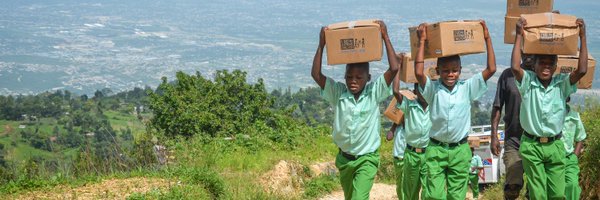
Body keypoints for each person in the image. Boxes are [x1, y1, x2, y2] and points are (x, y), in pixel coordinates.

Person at [311, 20, 399, 200]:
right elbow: (316, 75)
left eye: (359, 77)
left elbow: (394, 67)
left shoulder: (374, 93)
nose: (353, 81)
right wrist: (321, 45)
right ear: (344, 77)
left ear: (368, 78)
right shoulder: (338, 93)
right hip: (344, 159)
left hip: (367, 159)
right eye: (349, 76)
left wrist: (385, 37)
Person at [414, 20, 496, 200]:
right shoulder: (432, 89)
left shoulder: (467, 88)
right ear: (438, 71)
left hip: (460, 150)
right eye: (445, 71)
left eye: (454, 70)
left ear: (460, 70)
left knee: (456, 196)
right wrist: (422, 40)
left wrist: (487, 38)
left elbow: (491, 69)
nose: (450, 74)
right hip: (436, 149)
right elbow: (419, 72)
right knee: (434, 195)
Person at [511, 17, 587, 199]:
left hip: (555, 145)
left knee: (557, 193)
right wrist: (519, 36)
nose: (546, 67)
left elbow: (582, 70)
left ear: (555, 67)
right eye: (541, 63)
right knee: (538, 193)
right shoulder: (528, 81)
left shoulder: (562, 84)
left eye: (549, 64)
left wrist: (583, 37)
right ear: (533, 65)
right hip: (531, 145)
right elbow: (515, 67)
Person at [490, 54, 534, 199]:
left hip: (537, 142)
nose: (528, 56)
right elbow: (497, 106)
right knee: (513, 184)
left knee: (535, 188)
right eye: (525, 52)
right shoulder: (508, 75)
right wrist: (494, 136)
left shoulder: (543, 75)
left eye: (532, 51)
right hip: (513, 141)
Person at [385, 53, 408, 199]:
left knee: (407, 186)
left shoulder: (416, 123)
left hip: (409, 158)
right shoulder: (398, 124)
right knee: (400, 185)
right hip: (398, 157)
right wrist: (392, 131)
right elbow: (389, 136)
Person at [562, 97, 587, 200]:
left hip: (569, 158)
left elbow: (580, 137)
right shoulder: (549, 115)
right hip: (551, 158)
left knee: (572, 185)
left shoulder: (574, 116)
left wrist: (574, 156)